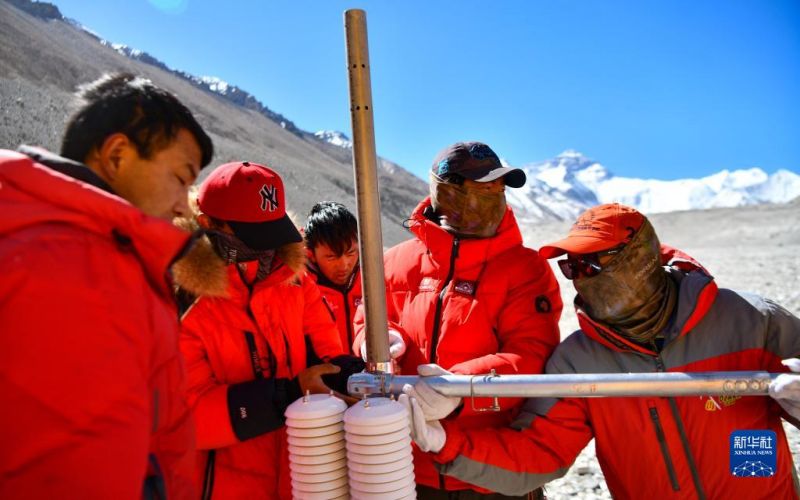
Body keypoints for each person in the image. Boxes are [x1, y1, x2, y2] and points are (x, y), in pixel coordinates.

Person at [402, 203, 800, 499]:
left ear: (639, 259)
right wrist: (446, 443)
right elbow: (540, 453)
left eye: (590, 264)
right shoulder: (578, 363)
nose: (579, 279)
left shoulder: (750, 320)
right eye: (571, 268)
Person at [0, 73, 214, 499]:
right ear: (117, 155)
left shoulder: (113, 259)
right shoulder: (66, 260)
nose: (181, 205)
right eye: (180, 177)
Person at [353, 141, 562, 499]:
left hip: (491, 471)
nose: (493, 196)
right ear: (446, 191)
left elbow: (532, 356)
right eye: (481, 187)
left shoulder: (526, 269)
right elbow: (364, 321)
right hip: (405, 468)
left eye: (498, 188)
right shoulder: (394, 262)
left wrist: (460, 390)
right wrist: (380, 338)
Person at [177, 161, 361, 499]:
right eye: (252, 236)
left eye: (272, 234)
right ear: (207, 223)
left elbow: (325, 344)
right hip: (216, 485)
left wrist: (346, 372)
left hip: (297, 474)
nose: (266, 250)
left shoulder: (293, 278)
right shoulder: (182, 297)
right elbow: (185, 418)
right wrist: (284, 396)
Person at [303, 201, 362, 351]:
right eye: (331, 257)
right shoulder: (299, 289)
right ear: (311, 254)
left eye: (351, 253)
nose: (344, 265)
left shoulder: (373, 281)